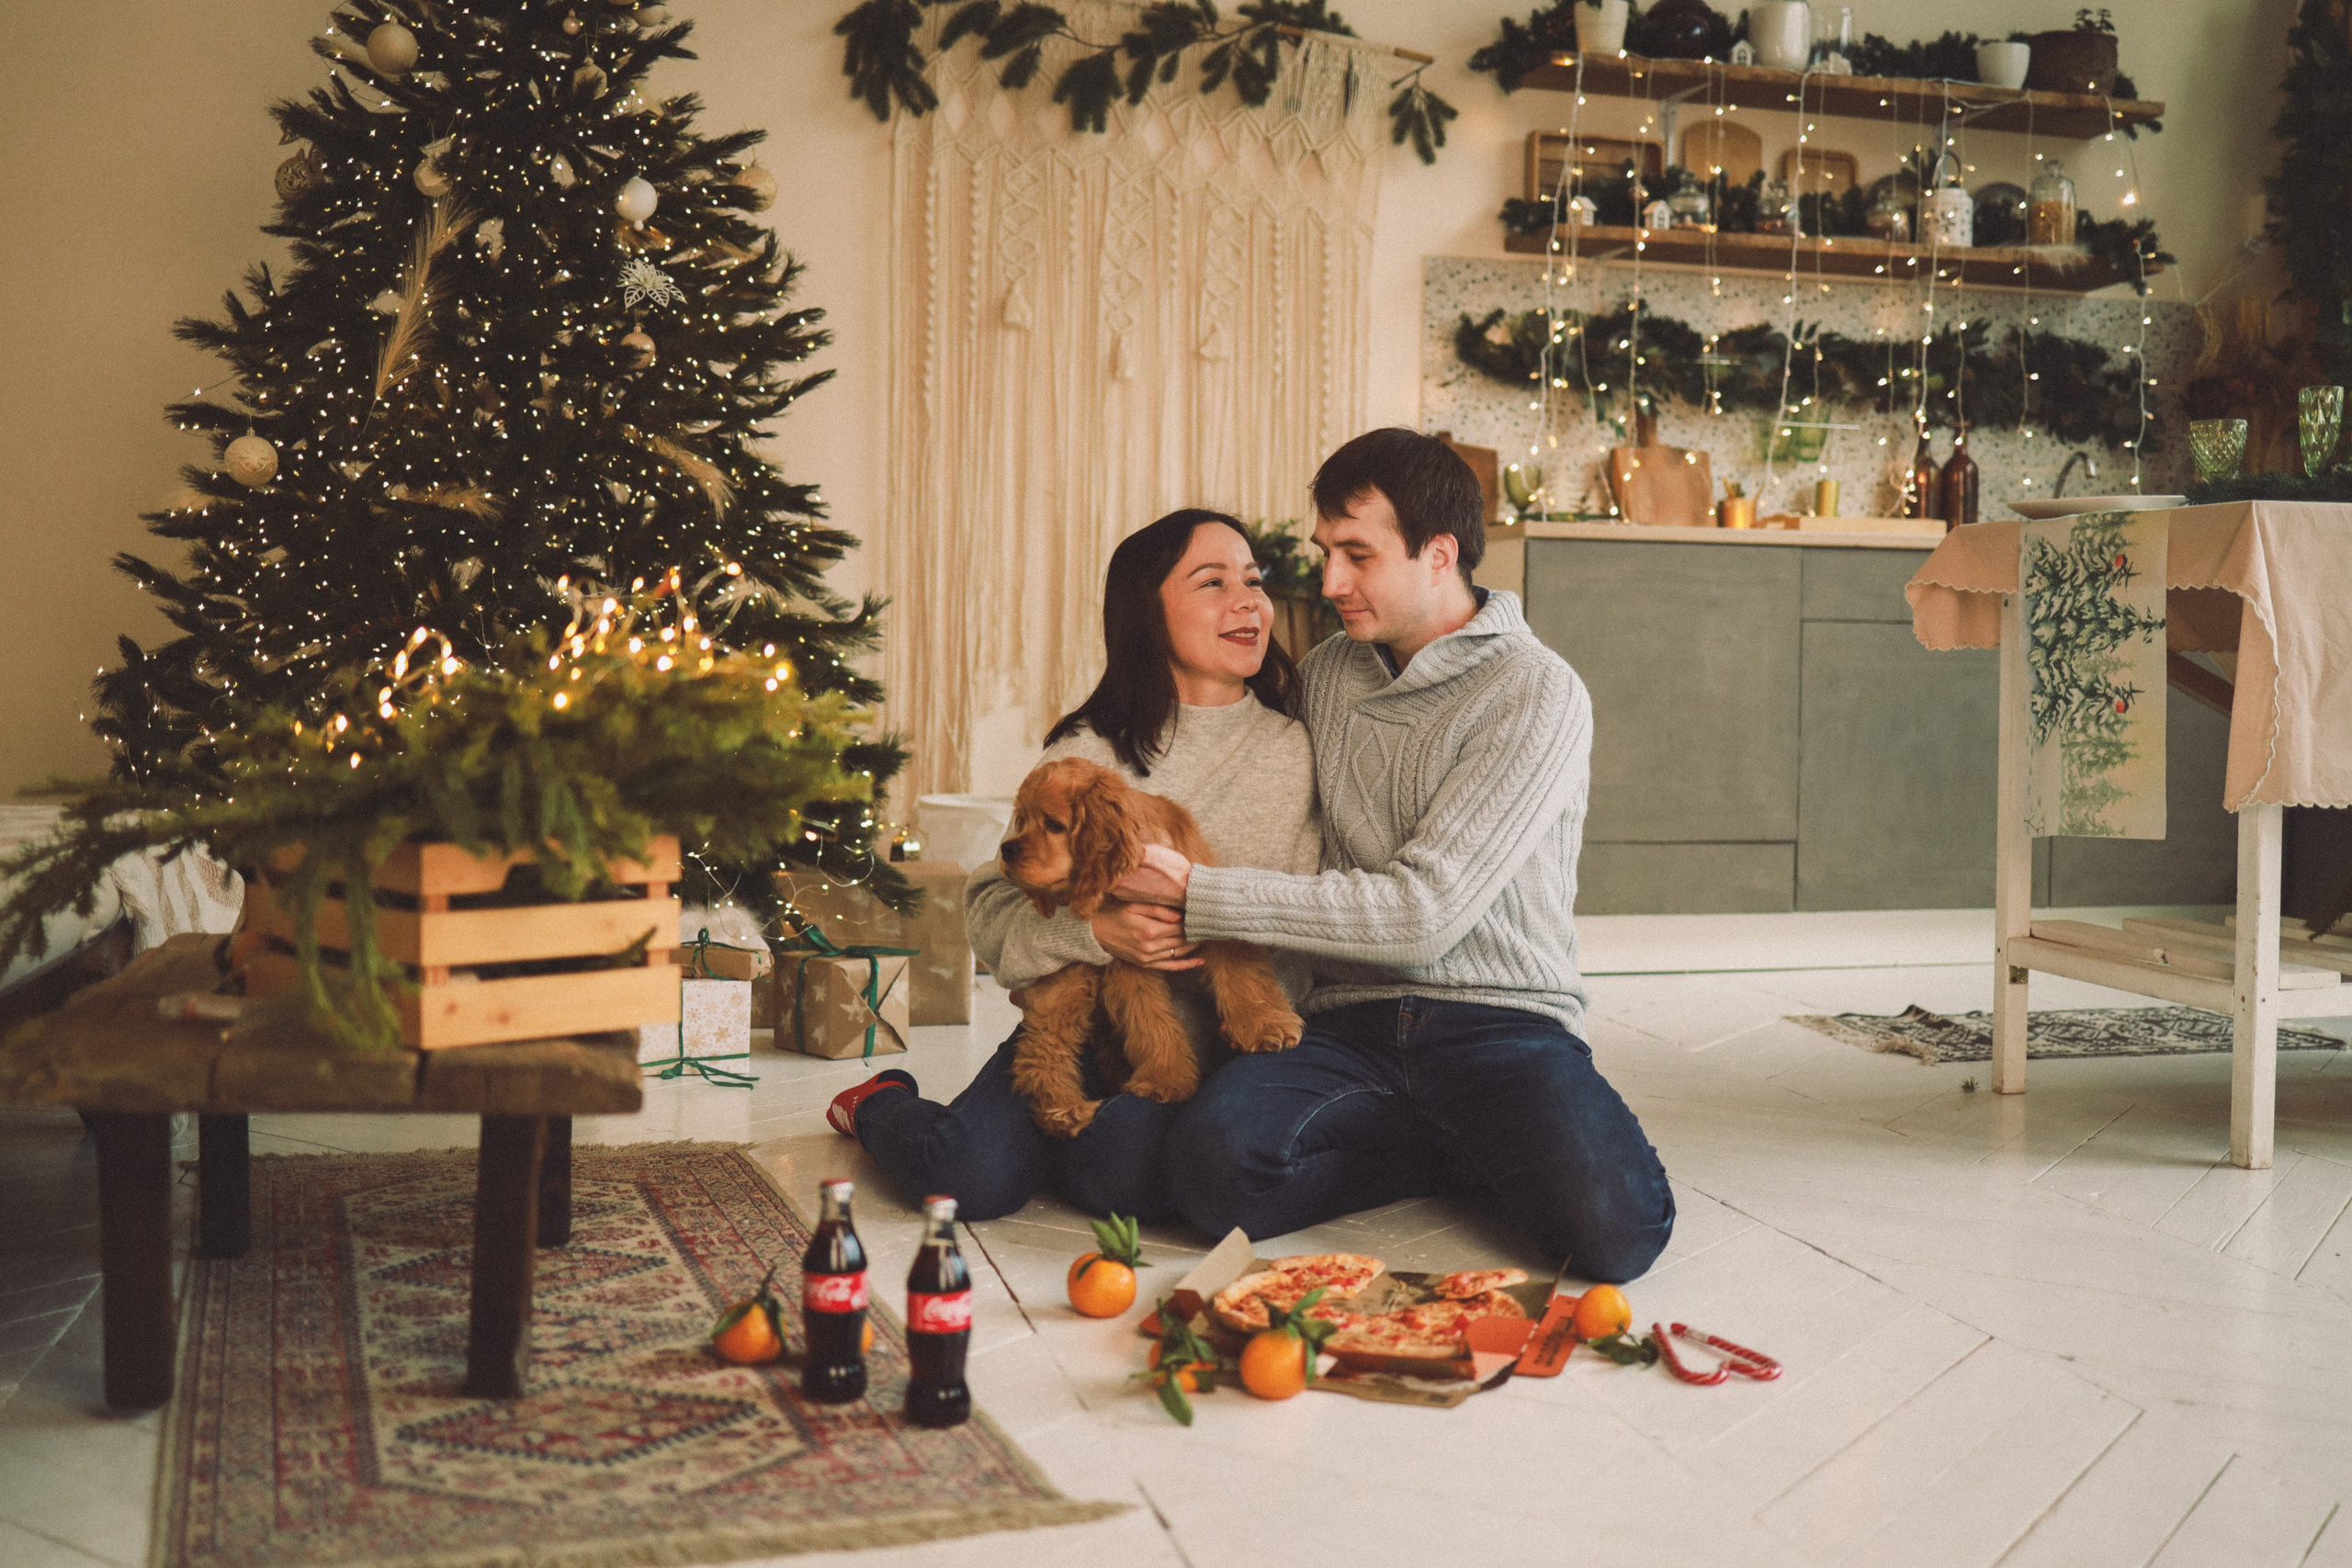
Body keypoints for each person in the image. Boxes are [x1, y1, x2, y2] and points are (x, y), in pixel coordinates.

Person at [1111, 428, 1675, 1283]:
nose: (1328, 581)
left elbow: (1424, 913)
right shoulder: (1332, 672)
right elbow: (1224, 747)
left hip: (1504, 1022)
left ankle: (1465, 1132)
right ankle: (1445, 1151)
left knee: (1616, 1233)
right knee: (1210, 1170)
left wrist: (1201, 893)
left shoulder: (1537, 691)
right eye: (1325, 551)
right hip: (1351, 1022)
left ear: (1438, 553)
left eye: (1357, 555)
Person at [825, 509, 1320, 1222]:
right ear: (1147, 613)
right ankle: (879, 1105)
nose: (1249, 601)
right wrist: (1099, 935)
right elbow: (990, 910)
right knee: (967, 1176)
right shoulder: (1090, 747)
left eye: (1253, 580)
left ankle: (1074, 1141)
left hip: (1221, 1044)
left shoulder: (1293, 750)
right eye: (1213, 582)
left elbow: (1304, 917)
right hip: (1085, 1026)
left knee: (1118, 1167)